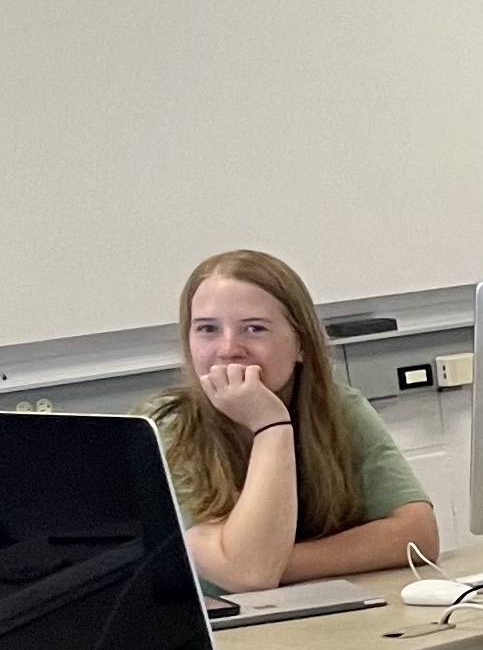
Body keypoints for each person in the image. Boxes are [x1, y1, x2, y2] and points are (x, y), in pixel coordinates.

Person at [137, 251, 437, 594]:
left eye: (254, 328)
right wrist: (271, 426)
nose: (228, 349)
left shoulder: (338, 406)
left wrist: (274, 561)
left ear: (301, 344)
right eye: (207, 329)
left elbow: (418, 537)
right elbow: (251, 575)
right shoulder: (163, 428)